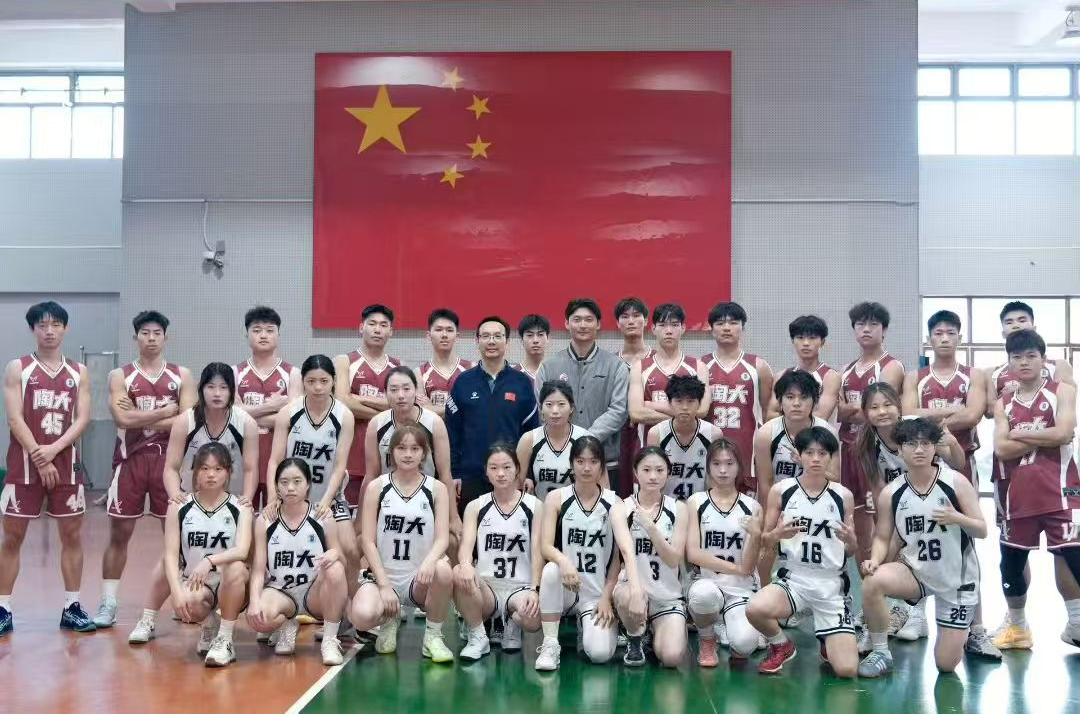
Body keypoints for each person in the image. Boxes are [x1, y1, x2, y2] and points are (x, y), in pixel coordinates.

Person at [856, 418, 987, 677]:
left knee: (946, 664)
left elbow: (981, 530)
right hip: (915, 571)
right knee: (873, 580)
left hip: (957, 579)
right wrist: (876, 560)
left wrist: (957, 518)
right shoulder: (891, 492)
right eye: (911, 444)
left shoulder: (956, 482)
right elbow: (882, 537)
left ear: (935, 447)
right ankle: (881, 652)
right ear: (900, 449)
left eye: (926, 444)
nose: (919, 450)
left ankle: (962, 633)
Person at [95, 310, 197, 628]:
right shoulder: (120, 376)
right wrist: (166, 411)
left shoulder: (182, 375)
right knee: (119, 534)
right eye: (145, 333)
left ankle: (183, 597)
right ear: (135, 337)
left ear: (166, 338)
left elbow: (188, 420)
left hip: (169, 463)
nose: (151, 338)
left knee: (177, 535)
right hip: (130, 462)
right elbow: (122, 419)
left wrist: (140, 415)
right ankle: (108, 602)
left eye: (157, 333)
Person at [0, 301, 93, 635]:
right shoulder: (18, 368)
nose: (49, 331)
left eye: (56, 324)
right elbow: (14, 419)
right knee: (12, 537)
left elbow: (82, 419)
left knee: (72, 535)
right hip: (23, 466)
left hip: (65, 464)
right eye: (42, 325)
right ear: (33, 329)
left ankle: (72, 606)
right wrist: (41, 457)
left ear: (65, 329)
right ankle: (3, 608)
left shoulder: (79, 372)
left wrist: (53, 450)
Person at [991, 329, 1080, 651]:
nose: (1024, 362)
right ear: (1009, 362)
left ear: (1044, 359)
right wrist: (1046, 434)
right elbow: (1001, 449)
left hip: (1064, 491)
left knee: (1074, 554)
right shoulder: (1003, 402)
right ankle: (1017, 628)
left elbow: (1065, 432)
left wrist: (1019, 434)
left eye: (1031, 356)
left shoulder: (1062, 391)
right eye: (1016, 357)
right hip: (1018, 495)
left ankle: (1077, 624)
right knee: (1011, 564)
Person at [746, 427, 859, 677]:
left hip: (830, 584)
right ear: (799, 455)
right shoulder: (782, 490)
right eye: (809, 453)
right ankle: (782, 645)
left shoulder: (843, 495)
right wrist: (777, 535)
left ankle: (827, 635)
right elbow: (765, 541)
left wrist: (851, 541)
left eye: (822, 453)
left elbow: (850, 551)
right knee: (755, 608)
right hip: (794, 578)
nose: (815, 459)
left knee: (847, 670)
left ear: (831, 457)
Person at [128, 442, 252, 668]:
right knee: (174, 578)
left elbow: (242, 550)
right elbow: (171, 554)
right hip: (197, 583)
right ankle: (206, 624)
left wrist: (209, 561)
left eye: (218, 469)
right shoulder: (180, 506)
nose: (211, 475)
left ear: (228, 472)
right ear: (195, 472)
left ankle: (225, 639)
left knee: (235, 567)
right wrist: (177, 593)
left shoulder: (240, 507)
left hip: (230, 582)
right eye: (204, 468)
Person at [534, 436, 645, 670]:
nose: (586, 468)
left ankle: (586, 625)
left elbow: (617, 559)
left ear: (602, 465)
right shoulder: (556, 498)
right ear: (571, 463)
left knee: (600, 654)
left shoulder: (614, 503)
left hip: (595, 592)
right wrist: (563, 561)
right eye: (580, 461)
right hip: (565, 585)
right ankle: (550, 643)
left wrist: (606, 597)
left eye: (593, 461)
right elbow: (545, 546)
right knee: (551, 570)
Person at [349, 425, 455, 662]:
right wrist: (384, 585)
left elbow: (442, 538)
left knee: (443, 570)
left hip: (419, 578)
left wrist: (429, 563)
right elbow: (367, 541)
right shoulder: (377, 487)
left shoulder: (436, 488)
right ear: (392, 452)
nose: (408, 454)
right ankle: (389, 619)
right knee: (361, 617)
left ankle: (433, 637)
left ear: (424, 453)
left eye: (415, 448)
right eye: (401, 448)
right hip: (385, 575)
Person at [247, 458, 349, 666]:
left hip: (315, 593)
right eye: (284, 482)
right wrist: (254, 601)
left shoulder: (322, 516)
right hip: (282, 592)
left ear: (308, 484)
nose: (290, 488)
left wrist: (334, 555)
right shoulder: (265, 520)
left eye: (297, 481)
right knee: (257, 619)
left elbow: (342, 558)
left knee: (336, 568)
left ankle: (330, 639)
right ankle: (287, 623)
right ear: (276, 486)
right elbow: (258, 569)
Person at [453, 444, 543, 660]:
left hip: (520, 587)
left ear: (517, 469)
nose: (500, 473)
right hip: (487, 588)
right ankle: (478, 635)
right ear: (486, 471)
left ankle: (511, 621)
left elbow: (538, 552)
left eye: (506, 467)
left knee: (532, 620)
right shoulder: (476, 506)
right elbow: (466, 546)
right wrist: (465, 564)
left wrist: (535, 589)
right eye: (494, 468)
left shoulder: (535, 506)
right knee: (458, 571)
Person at [446, 316, 539, 512]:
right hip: (470, 477)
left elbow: (531, 434)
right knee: (471, 528)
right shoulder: (463, 382)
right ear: (477, 341)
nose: (491, 341)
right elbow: (452, 433)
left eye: (498, 336)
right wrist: (454, 473)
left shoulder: (522, 383)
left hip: (511, 476)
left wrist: (528, 474)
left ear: (507, 342)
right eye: (486, 336)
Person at [836, 302, 904, 567]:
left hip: (877, 451)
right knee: (856, 522)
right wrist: (854, 411)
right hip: (847, 450)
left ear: (884, 330)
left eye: (873, 324)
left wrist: (853, 410)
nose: (866, 329)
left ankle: (888, 580)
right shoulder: (845, 369)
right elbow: (838, 412)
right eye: (861, 324)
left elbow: (881, 413)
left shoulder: (891, 366)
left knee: (884, 519)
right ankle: (867, 582)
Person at [686, 438, 764, 667]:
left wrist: (756, 536)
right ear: (708, 466)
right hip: (708, 582)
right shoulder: (696, 502)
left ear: (739, 466)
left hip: (741, 588)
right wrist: (737, 568)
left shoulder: (752, 506)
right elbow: (693, 554)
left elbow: (750, 566)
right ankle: (707, 638)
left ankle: (729, 621)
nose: (722, 470)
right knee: (703, 595)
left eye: (729, 463)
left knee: (744, 645)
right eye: (716, 463)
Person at [535, 299, 630, 484]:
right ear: (566, 323)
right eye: (577, 319)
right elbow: (541, 408)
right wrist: (567, 441)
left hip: (604, 461)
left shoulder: (616, 366)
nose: (583, 325)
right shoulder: (549, 366)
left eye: (589, 319)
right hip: (558, 461)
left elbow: (619, 410)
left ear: (598, 324)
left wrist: (584, 439)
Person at [265, 354, 355, 548]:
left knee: (349, 548)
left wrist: (326, 501)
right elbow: (274, 461)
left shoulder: (344, 416)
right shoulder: (288, 412)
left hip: (330, 497)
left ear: (333, 381)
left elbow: (340, 465)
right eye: (311, 381)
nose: (318, 387)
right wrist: (273, 497)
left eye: (324, 381)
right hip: (290, 496)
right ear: (303, 381)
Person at [613, 447, 688, 668]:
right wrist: (637, 592)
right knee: (628, 596)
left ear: (668, 473)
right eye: (646, 470)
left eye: (659, 470)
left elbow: (674, 559)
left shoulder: (679, 508)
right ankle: (635, 637)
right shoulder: (621, 507)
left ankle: (653, 630)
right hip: (633, 590)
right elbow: (626, 552)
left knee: (672, 658)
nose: (653, 476)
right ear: (636, 472)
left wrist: (650, 527)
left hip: (667, 596)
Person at [902, 310, 986, 483]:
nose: (945, 339)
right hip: (924, 460)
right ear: (929, 339)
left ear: (959, 339)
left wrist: (927, 422)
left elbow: (972, 416)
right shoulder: (914, 377)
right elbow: (907, 414)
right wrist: (954, 409)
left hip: (963, 460)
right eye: (938, 333)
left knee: (965, 502)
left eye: (951, 333)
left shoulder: (974, 375)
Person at [334, 304, 403, 511]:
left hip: (389, 457)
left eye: (383, 325)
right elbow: (343, 402)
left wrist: (357, 398)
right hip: (352, 458)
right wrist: (388, 407)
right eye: (372, 324)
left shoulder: (399, 366)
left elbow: (403, 406)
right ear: (361, 327)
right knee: (351, 519)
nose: (377, 329)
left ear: (391, 331)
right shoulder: (344, 361)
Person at [701, 301, 774, 499]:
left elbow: (768, 413)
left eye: (733, 323)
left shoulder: (759, 367)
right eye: (720, 323)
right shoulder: (701, 366)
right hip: (709, 451)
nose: (726, 328)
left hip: (748, 451)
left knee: (749, 511)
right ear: (711, 329)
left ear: (743, 327)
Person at [235, 306, 301, 512]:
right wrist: (272, 406)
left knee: (278, 515)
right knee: (244, 514)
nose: (263, 335)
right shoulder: (234, 373)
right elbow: (231, 416)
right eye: (256, 330)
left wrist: (247, 414)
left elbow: (292, 420)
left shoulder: (293, 374)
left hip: (280, 454)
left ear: (278, 334)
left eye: (269, 330)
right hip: (242, 456)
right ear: (246, 334)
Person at [162, 362, 259, 503]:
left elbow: (251, 469)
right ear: (201, 389)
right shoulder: (184, 421)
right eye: (211, 387)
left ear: (232, 391)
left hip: (233, 501)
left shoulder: (246, 423)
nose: (217, 393)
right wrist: (175, 494)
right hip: (190, 499)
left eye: (224, 387)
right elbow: (171, 468)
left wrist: (247, 498)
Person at [629, 302, 709, 445]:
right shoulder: (639, 367)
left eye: (674, 325)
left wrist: (651, 405)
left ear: (683, 328)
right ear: (653, 329)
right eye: (662, 325)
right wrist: (680, 418)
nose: (669, 331)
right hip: (650, 449)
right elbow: (636, 413)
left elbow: (702, 410)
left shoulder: (698, 367)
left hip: (688, 447)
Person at [754, 370, 839, 501]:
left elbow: (835, 480)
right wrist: (771, 513)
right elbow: (765, 484)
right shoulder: (766, 434)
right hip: (780, 504)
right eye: (790, 397)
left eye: (804, 397)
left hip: (819, 502)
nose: (796, 403)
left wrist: (807, 464)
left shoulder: (828, 432)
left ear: (815, 401)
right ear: (780, 401)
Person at [517, 380, 593, 501]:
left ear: (571, 408)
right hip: (540, 509)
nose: (555, 411)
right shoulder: (529, 439)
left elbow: (602, 486)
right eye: (549, 404)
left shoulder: (585, 438)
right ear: (541, 408)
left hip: (578, 509)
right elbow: (516, 484)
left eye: (561, 404)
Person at [646, 376, 716, 500]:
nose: (685, 407)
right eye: (679, 401)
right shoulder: (656, 433)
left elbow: (714, 478)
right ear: (669, 403)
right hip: (666, 505)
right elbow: (652, 476)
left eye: (690, 401)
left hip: (701, 505)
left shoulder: (713, 433)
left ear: (699, 403)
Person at [766, 315, 841, 421]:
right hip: (785, 432)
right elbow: (770, 415)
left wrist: (788, 417)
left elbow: (821, 416)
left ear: (822, 342)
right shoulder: (781, 376)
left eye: (812, 338)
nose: (806, 343)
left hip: (819, 432)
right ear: (792, 341)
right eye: (800, 337)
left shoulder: (830, 377)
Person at [615, 297, 652, 497]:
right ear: (617, 323)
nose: (631, 321)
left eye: (636, 316)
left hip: (649, 434)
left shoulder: (658, 360)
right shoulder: (610, 362)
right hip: (618, 438)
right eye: (625, 316)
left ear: (646, 321)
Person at [417, 308, 472, 419]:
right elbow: (421, 412)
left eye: (449, 330)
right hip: (432, 430)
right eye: (438, 330)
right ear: (429, 336)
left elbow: (474, 408)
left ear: (457, 336)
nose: (444, 335)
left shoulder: (471, 369)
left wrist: (433, 408)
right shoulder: (419, 373)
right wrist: (460, 406)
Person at [514, 314, 550, 389]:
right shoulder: (511, 375)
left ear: (548, 339)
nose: (535, 340)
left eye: (540, 334)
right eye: (530, 335)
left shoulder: (556, 373)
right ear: (521, 340)